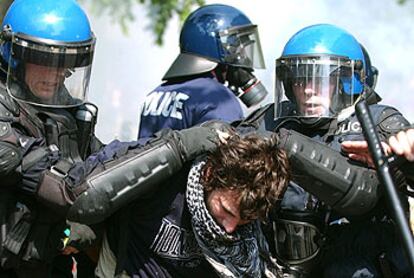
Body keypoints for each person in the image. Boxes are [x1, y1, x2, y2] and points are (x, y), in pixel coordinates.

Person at [239, 23, 414, 277]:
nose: (308, 90)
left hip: (365, 266)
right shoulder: (271, 121)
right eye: (300, 80)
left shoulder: (379, 121)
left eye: (319, 79)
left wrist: (407, 157)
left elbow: (407, 149)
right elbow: (225, 143)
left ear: (345, 82)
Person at [60, 128, 290, 277]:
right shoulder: (164, 176)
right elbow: (93, 178)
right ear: (209, 175)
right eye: (226, 210)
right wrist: (78, 228)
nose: (230, 228)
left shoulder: (247, 225)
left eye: (243, 220)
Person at [0, 0, 100, 276]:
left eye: (67, 62)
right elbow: (61, 186)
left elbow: (101, 164)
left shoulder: (65, 110)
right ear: (15, 54)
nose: (57, 73)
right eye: (46, 60)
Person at [138, 4, 269, 138]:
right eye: (238, 51)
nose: (243, 59)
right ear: (218, 48)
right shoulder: (216, 97)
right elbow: (230, 156)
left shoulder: (156, 94)